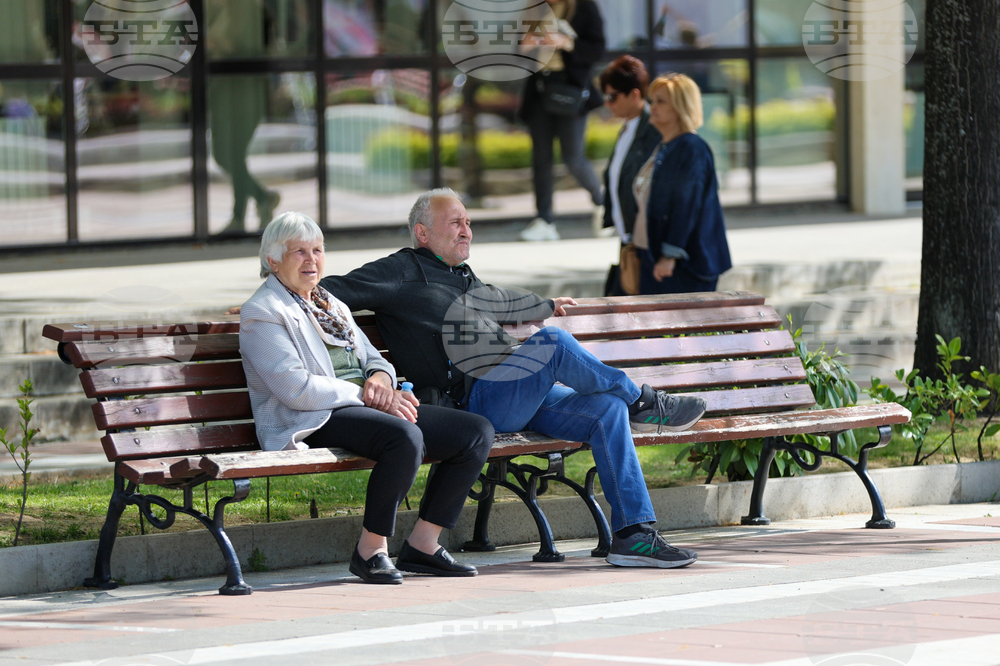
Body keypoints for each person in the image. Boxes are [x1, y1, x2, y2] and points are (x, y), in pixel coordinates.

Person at [320, 188, 707, 569]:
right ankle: (642, 401)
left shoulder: (462, 276)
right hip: (476, 402)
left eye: (468, 222)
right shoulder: (400, 271)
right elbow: (329, 290)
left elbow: (500, 299)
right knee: (552, 342)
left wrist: (546, 304)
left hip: (519, 393)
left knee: (607, 409)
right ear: (423, 233)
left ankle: (632, 535)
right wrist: (293, 283)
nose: (466, 230)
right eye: (455, 223)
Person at [239, 212, 494, 585]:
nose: (312, 260)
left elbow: (375, 359)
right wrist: (368, 395)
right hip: (312, 417)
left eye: (317, 250)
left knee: (474, 432)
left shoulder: (328, 303)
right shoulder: (263, 311)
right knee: (404, 436)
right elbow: (295, 389)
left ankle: (423, 545)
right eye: (299, 252)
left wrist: (379, 379)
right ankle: (370, 551)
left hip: (362, 406)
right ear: (273, 260)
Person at [632, 74, 732, 294]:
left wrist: (670, 255)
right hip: (653, 257)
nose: (652, 107)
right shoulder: (661, 145)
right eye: (652, 101)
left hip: (683, 266)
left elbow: (686, 206)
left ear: (680, 107)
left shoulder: (692, 148)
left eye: (661, 101)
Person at [518, 0, 606, 242]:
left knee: (573, 157)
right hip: (539, 89)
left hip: (571, 91)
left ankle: (603, 203)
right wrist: (526, 45)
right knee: (541, 159)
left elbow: (597, 50)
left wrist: (566, 43)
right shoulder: (533, 9)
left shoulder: (584, 7)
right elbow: (517, 50)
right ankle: (545, 220)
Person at [597, 56, 663, 295]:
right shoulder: (627, 129)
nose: (607, 104)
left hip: (647, 242)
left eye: (612, 97)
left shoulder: (654, 130)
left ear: (634, 95)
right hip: (629, 240)